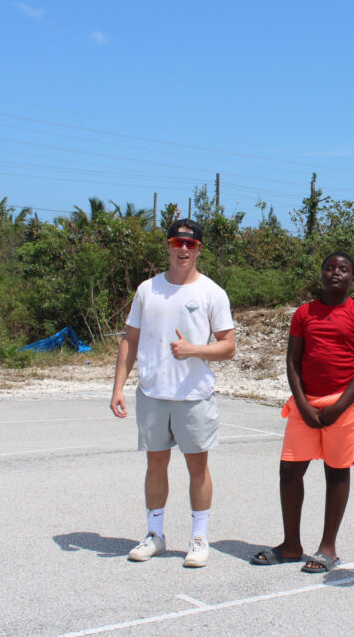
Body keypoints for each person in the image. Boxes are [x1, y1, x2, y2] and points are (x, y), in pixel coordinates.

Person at [110, 219, 236, 568]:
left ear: (199, 249)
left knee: (198, 467)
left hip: (194, 395)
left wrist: (194, 349)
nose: (183, 249)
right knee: (155, 464)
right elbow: (130, 339)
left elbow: (228, 347)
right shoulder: (147, 290)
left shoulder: (212, 292)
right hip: (152, 393)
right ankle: (155, 534)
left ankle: (198, 538)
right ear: (167, 246)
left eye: (190, 244)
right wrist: (118, 387)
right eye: (177, 243)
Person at [250, 252, 354, 573]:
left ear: (352, 277)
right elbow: (292, 362)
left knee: (336, 471)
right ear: (321, 273)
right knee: (290, 471)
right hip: (304, 403)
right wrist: (304, 404)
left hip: (343, 404)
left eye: (343, 269)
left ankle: (328, 549)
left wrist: (339, 406)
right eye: (330, 268)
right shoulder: (304, 314)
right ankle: (291, 545)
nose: (335, 273)